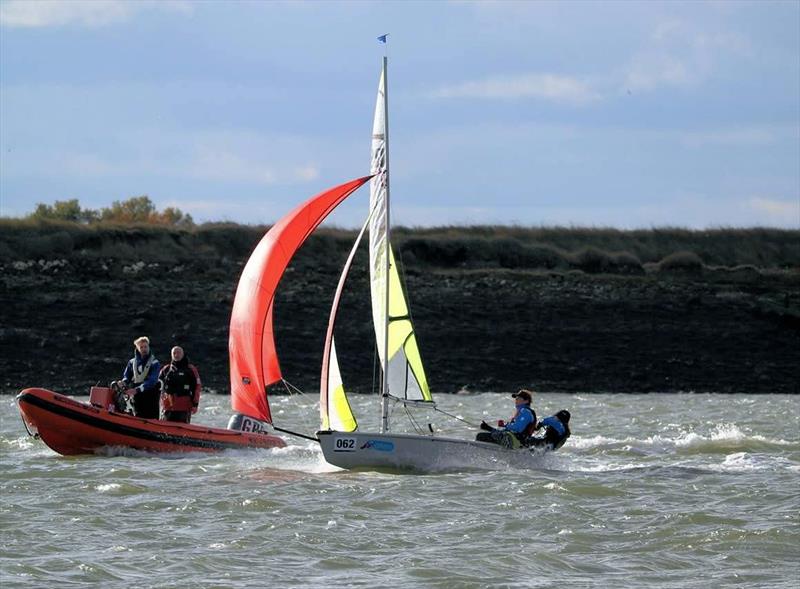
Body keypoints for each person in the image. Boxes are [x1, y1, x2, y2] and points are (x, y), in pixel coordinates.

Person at [114, 336, 162, 419]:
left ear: (148, 347)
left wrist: (137, 389)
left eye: (146, 347)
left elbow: (152, 380)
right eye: (141, 347)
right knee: (138, 414)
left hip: (150, 394)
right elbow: (127, 376)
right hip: (137, 396)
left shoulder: (155, 363)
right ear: (137, 348)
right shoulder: (132, 362)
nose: (144, 349)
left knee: (152, 416)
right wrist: (123, 383)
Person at [158, 346, 202, 423]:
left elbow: (197, 387)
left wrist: (195, 404)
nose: (176, 355)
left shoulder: (190, 369)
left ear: (183, 354)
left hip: (183, 407)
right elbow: (157, 385)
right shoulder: (166, 369)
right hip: (168, 406)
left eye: (178, 353)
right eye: (174, 353)